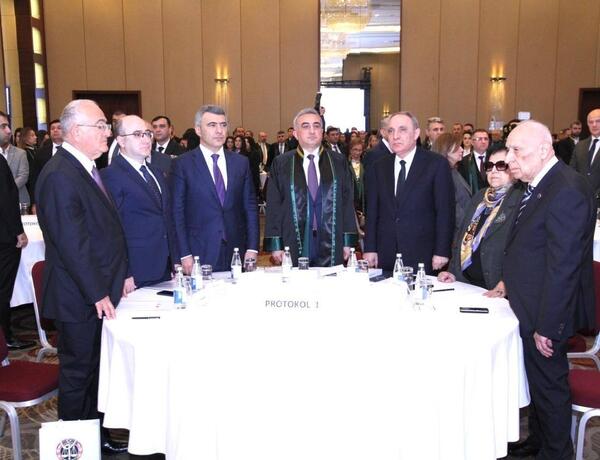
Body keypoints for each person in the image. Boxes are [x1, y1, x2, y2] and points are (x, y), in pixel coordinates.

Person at [35, 99, 128, 454]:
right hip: (78, 296)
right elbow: (73, 244)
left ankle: (94, 436)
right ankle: (75, 448)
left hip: (93, 291)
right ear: (76, 132)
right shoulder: (60, 174)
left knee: (95, 371)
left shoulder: (85, 167)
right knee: (78, 375)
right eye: (100, 126)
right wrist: (97, 292)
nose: (107, 133)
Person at [503, 120, 595, 459]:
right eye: (509, 149)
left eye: (517, 150)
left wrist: (549, 325)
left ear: (544, 150)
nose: (509, 158)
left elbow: (564, 266)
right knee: (537, 383)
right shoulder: (540, 183)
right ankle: (538, 442)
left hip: (547, 312)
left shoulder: (566, 189)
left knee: (550, 387)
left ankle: (556, 452)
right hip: (531, 303)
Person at [170, 104, 259, 273]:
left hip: (236, 250)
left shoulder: (241, 163)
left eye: (223, 125)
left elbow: (250, 207)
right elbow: (177, 212)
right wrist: (183, 253)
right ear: (198, 130)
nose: (219, 130)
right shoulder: (182, 164)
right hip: (198, 251)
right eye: (212, 125)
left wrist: (253, 247)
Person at [264, 108, 357, 266]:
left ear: (322, 132)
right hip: (294, 238)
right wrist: (276, 244)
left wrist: (347, 241)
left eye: (316, 126)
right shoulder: (281, 163)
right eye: (305, 126)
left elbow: (347, 203)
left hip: (332, 239)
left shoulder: (338, 161)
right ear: (295, 133)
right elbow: (274, 206)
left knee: (331, 280)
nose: (312, 131)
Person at [363, 111, 454, 273]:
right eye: (391, 131)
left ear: (416, 134)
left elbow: (445, 211)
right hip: (386, 252)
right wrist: (370, 247)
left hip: (423, 253)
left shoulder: (436, 164)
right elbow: (372, 210)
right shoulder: (379, 166)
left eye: (402, 130)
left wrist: (441, 250)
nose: (395, 136)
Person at [101, 115, 177, 287]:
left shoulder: (156, 172)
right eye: (137, 134)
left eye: (147, 134)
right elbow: (110, 231)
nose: (146, 139)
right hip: (135, 271)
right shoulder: (110, 176)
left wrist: (175, 259)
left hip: (164, 267)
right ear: (121, 140)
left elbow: (166, 217)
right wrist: (124, 272)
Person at [437, 146, 522, 294]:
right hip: (465, 283)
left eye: (501, 165)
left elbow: (522, 251)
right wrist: (452, 271)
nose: (494, 171)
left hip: (495, 288)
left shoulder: (520, 199)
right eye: (489, 166)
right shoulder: (480, 196)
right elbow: (462, 236)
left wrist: (507, 282)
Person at [0, 153, 29, 349]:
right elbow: (6, 198)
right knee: (3, 289)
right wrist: (18, 231)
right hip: (4, 237)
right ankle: (5, 339)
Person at [432, 133, 472, 236]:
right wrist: (469, 228)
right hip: (456, 233)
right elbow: (451, 207)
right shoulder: (443, 174)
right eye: (458, 147)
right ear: (446, 150)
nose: (462, 150)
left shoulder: (453, 170)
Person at [570, 108, 600, 204]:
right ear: (587, 124)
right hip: (579, 199)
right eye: (591, 122)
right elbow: (572, 171)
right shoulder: (580, 145)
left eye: (598, 121)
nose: (594, 125)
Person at [0, 112, 30, 207]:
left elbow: (23, 177)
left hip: (18, 199)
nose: (9, 131)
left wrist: (5, 191)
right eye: (3, 126)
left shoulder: (20, 153)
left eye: (8, 126)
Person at [458, 128, 489, 194]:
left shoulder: (493, 158)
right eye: (480, 139)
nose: (483, 142)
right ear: (472, 142)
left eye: (486, 139)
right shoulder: (464, 161)